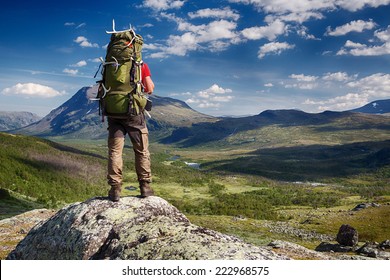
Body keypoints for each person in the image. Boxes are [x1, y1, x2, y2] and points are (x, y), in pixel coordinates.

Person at [107, 62, 155, 202]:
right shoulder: (141, 65)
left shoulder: (110, 64)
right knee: (141, 151)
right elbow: (150, 88)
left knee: (115, 152)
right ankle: (145, 187)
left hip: (113, 114)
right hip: (134, 114)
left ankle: (115, 190)